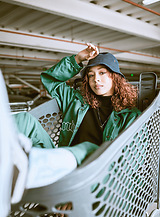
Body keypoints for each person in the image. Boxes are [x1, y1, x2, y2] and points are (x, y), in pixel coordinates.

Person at [13, 43, 141, 189]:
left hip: (97, 178)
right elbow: (50, 80)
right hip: (61, 166)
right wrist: (78, 59)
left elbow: (129, 163)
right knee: (24, 119)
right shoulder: (75, 101)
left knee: (88, 148)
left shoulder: (130, 116)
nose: (96, 79)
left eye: (102, 73)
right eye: (91, 75)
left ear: (115, 77)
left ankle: (49, 179)